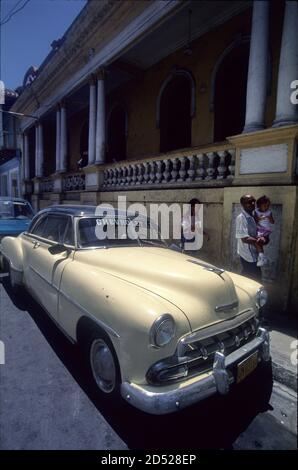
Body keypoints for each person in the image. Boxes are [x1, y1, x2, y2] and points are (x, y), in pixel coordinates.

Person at [235, 195, 265, 281]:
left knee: (246, 276)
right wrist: (258, 241)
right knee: (256, 279)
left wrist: (261, 237)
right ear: (243, 205)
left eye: (253, 201)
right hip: (248, 255)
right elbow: (244, 238)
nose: (252, 204)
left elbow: (255, 232)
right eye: (249, 202)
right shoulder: (241, 218)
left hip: (254, 253)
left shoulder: (252, 216)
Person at [254, 195, 274, 267]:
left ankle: (262, 257)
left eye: (268, 206)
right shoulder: (256, 211)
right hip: (259, 229)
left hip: (265, 230)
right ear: (259, 205)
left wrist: (269, 218)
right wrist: (259, 219)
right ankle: (262, 257)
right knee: (257, 241)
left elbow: (272, 222)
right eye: (264, 206)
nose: (266, 207)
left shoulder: (269, 212)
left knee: (259, 241)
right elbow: (255, 221)